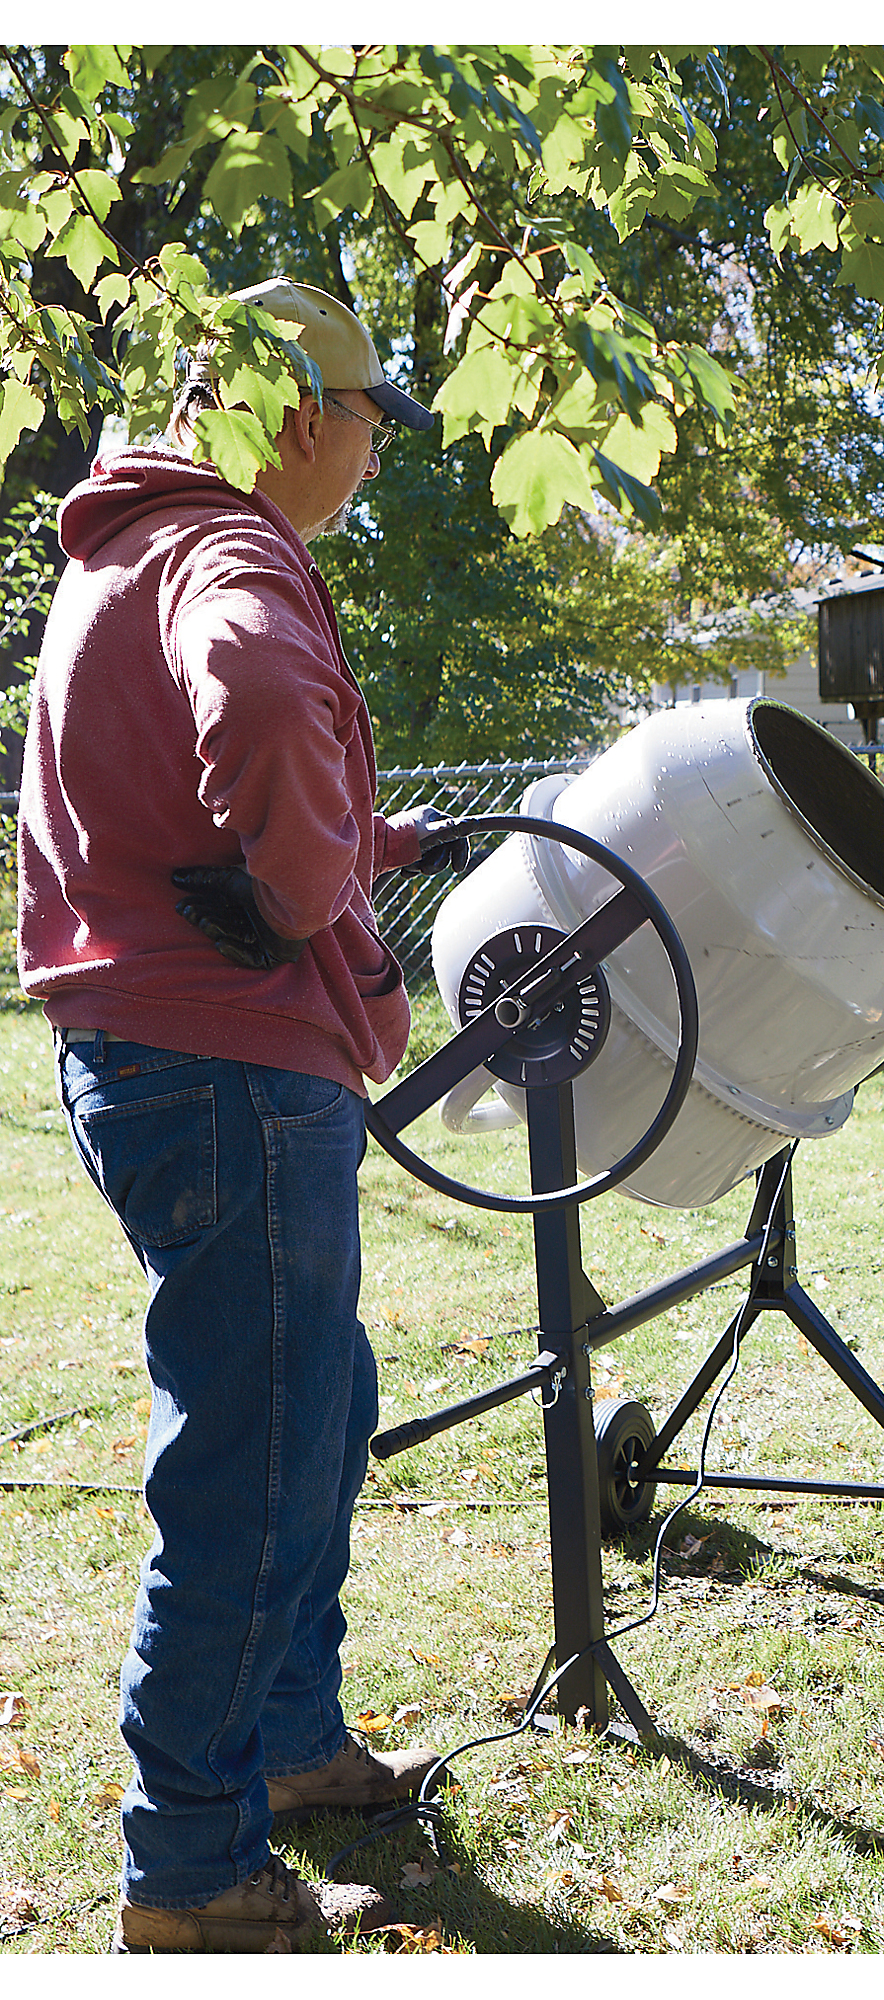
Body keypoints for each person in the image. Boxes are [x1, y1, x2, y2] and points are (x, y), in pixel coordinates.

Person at [17, 277, 468, 1953]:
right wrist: (308, 899)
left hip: (142, 1049)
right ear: (300, 419)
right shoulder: (231, 553)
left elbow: (189, 792)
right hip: (227, 1059)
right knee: (253, 1458)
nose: (367, 456)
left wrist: (366, 842)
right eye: (364, 422)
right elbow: (261, 712)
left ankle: (286, 1743)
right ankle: (192, 1867)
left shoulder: (120, 550)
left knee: (310, 1407)